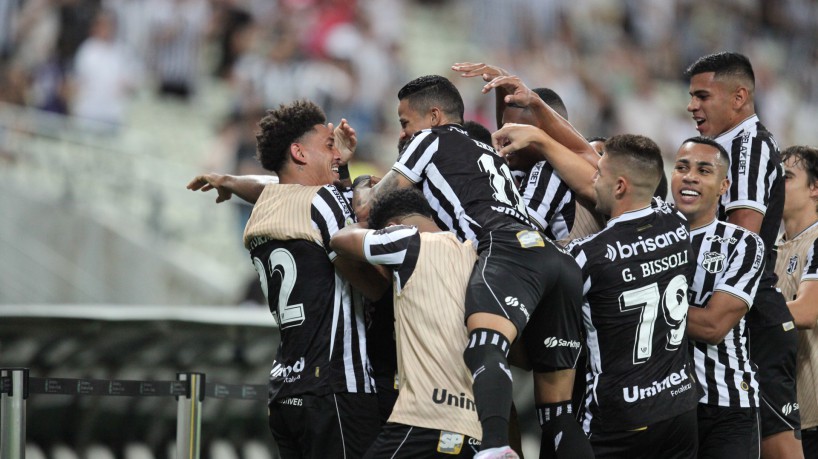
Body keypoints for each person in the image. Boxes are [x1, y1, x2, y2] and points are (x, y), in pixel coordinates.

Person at [355, 75, 591, 459]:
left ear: (434, 117)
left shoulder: (428, 140)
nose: (404, 133)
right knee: (557, 411)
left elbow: (369, 209)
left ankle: (494, 448)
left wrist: (362, 185)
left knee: (484, 348)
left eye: (405, 122)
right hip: (553, 260)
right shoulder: (488, 153)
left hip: (504, 251)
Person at [189, 100, 382, 458]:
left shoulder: (263, 209)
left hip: (285, 389)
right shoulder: (325, 201)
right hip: (337, 386)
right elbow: (372, 281)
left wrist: (231, 181)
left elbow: (273, 185)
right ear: (298, 152)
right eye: (329, 145)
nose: (337, 154)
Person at [495, 126, 699, 458]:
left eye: (599, 173)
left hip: (620, 419)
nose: (592, 178)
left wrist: (538, 137)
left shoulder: (586, 256)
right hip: (680, 409)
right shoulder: (676, 223)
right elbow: (599, 178)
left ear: (619, 186)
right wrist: (540, 137)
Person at [685, 52, 801, 457]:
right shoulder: (723, 148)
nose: (691, 106)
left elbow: (740, 240)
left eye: (702, 96)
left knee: (778, 448)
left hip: (752, 316)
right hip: (744, 313)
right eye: (691, 96)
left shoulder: (747, 146)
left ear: (739, 97)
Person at [331, 187, 482, 458]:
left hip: (424, 419)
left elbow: (339, 240)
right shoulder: (474, 254)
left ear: (391, 227)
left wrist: (367, 219)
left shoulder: (407, 240)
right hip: (473, 425)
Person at [669, 137, 765, 458]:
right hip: (662, 405)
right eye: (682, 167)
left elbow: (712, 326)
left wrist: (640, 306)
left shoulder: (742, 243)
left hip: (725, 405)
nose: (690, 177)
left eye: (703, 170)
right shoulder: (649, 232)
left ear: (724, 186)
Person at [775, 145, 818, 458]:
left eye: (786, 177)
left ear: (815, 188)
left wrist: (734, 314)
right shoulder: (771, 247)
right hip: (784, 410)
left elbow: (806, 312)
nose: (775, 185)